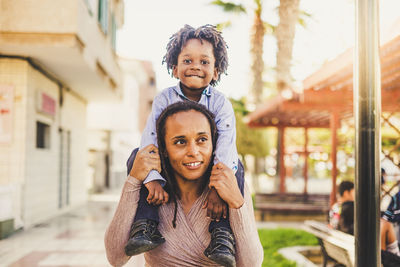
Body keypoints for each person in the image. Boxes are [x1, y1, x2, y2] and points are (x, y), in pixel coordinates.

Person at [123, 24, 243, 267]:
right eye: (188, 61)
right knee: (136, 155)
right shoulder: (164, 99)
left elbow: (226, 146)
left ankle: (222, 234)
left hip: (208, 168)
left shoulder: (220, 104)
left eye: (204, 62)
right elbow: (150, 139)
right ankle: (145, 224)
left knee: (237, 165)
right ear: (175, 69)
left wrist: (218, 189)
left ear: (216, 71)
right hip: (172, 167)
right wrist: (152, 178)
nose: (196, 66)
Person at [104, 101, 263, 267]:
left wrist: (237, 203)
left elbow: (252, 264)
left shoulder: (229, 185)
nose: (193, 152)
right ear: (163, 148)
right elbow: (116, 258)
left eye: (202, 139)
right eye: (180, 142)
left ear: (214, 144)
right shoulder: (150, 189)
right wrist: (134, 180)